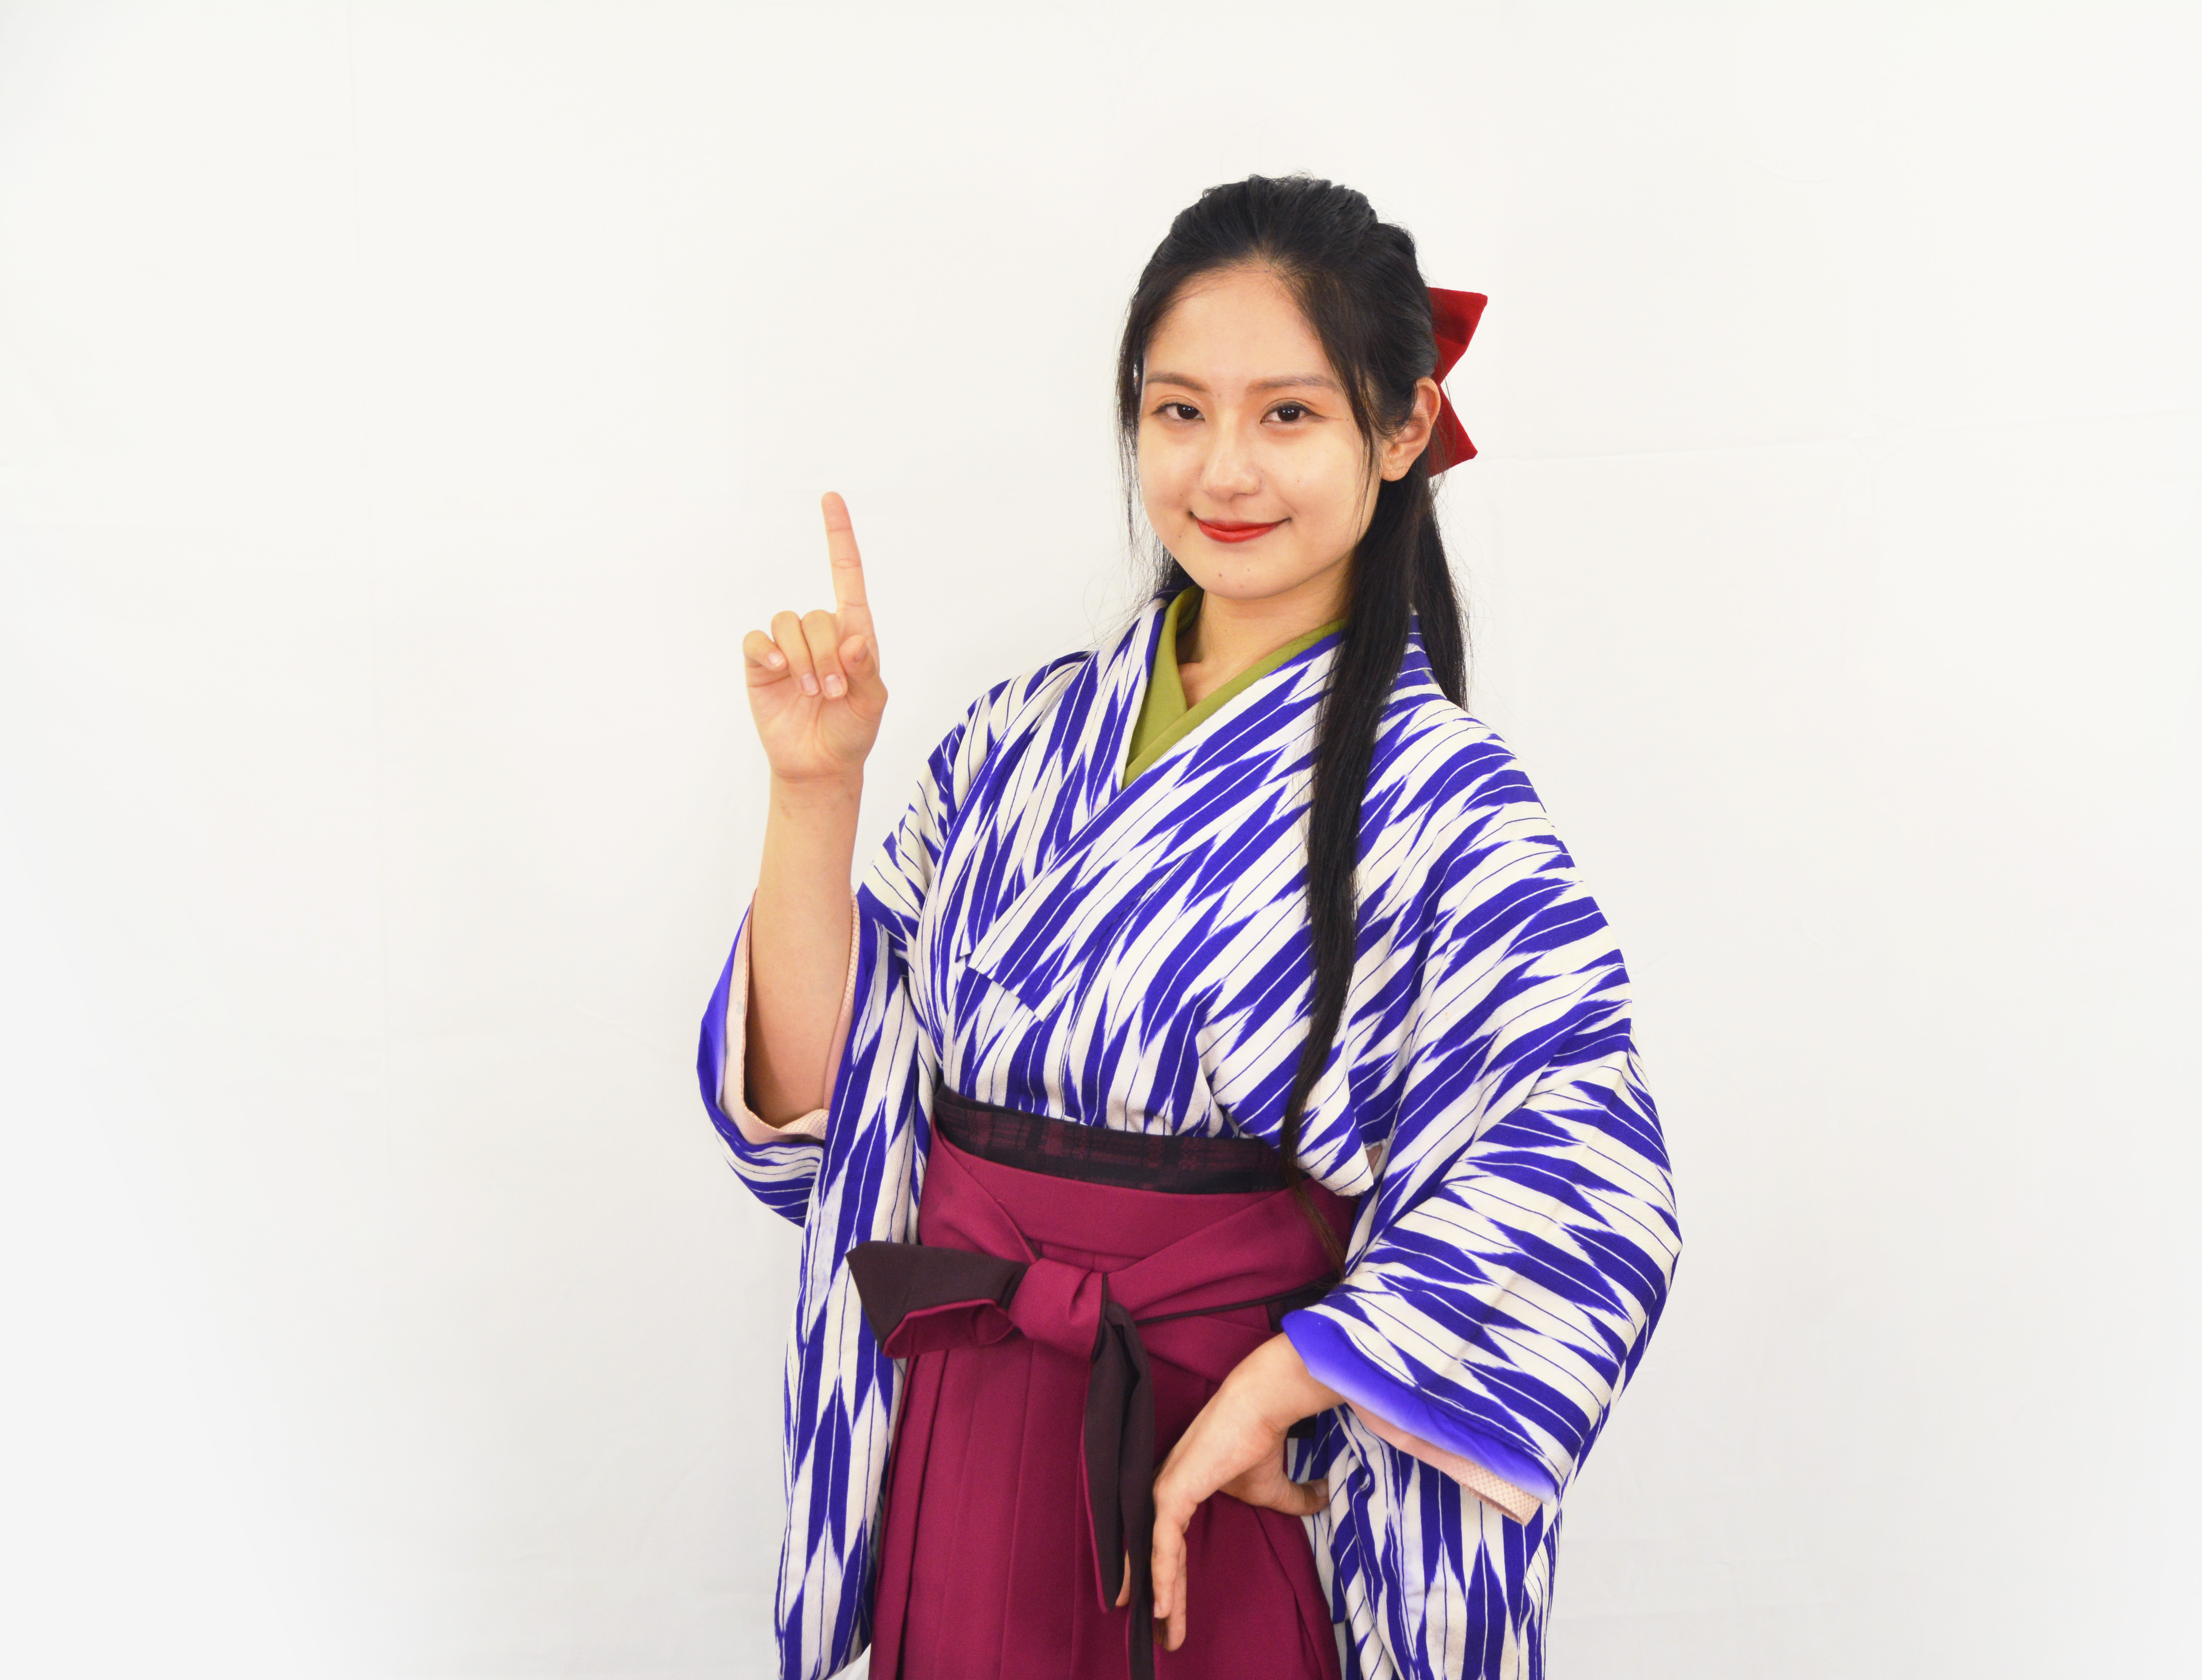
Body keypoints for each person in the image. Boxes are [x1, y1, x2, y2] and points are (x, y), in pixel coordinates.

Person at [694, 174, 1681, 1680]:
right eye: (1178, 411)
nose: (1225, 468)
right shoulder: (1018, 741)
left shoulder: (1446, 800)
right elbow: (840, 1111)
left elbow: (1587, 1173)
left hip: (1219, 1462)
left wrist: (1286, 1384)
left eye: (1288, 414)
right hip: (965, 1437)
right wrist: (815, 794)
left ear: (1402, 429)